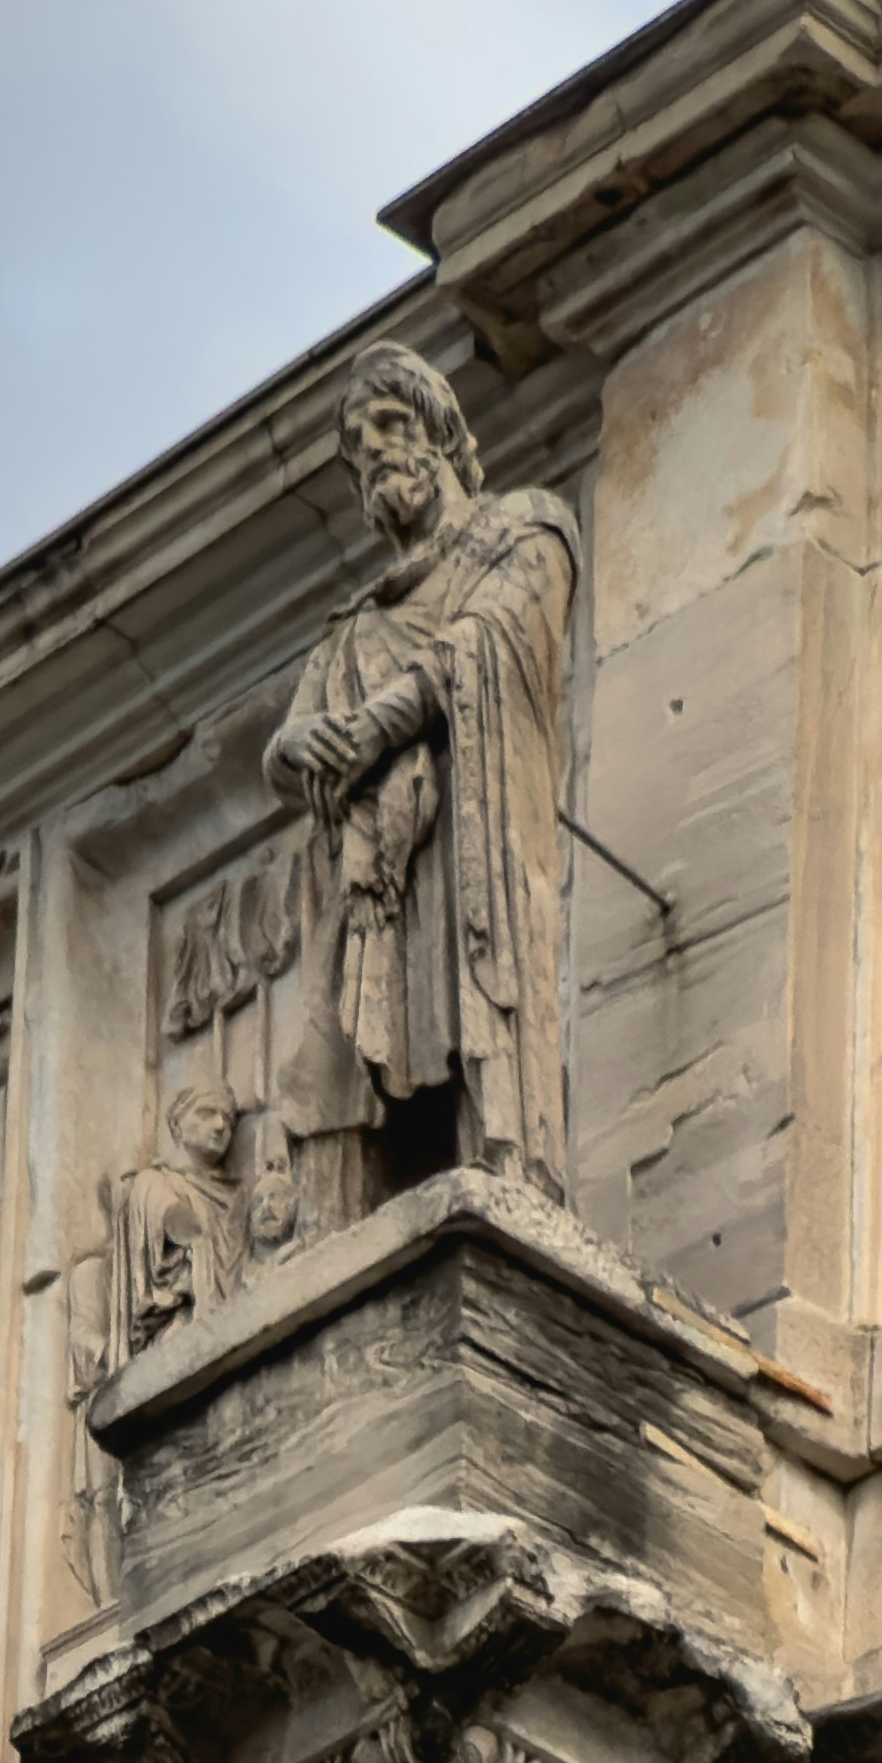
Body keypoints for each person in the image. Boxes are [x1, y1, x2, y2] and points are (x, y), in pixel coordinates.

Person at [260, 347, 577, 1207]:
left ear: (441, 432)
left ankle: (501, 1166)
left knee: (471, 1006)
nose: (375, 452)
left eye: (391, 426)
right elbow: (282, 748)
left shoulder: (526, 530)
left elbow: (491, 636)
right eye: (357, 446)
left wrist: (378, 726)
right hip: (379, 879)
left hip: (476, 835)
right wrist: (306, 746)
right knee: (367, 1034)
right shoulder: (355, 625)